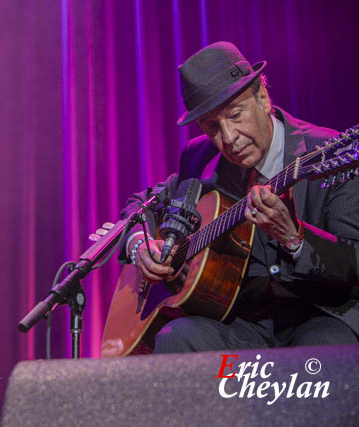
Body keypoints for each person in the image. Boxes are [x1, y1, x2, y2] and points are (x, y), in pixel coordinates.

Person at [122, 41, 359, 353]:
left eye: (235, 115)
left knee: (323, 350)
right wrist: (141, 244)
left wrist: (294, 239)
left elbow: (354, 258)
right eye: (212, 128)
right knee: (176, 338)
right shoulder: (201, 159)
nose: (229, 138)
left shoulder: (326, 151)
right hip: (245, 327)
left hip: (320, 317)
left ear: (262, 97)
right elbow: (140, 208)